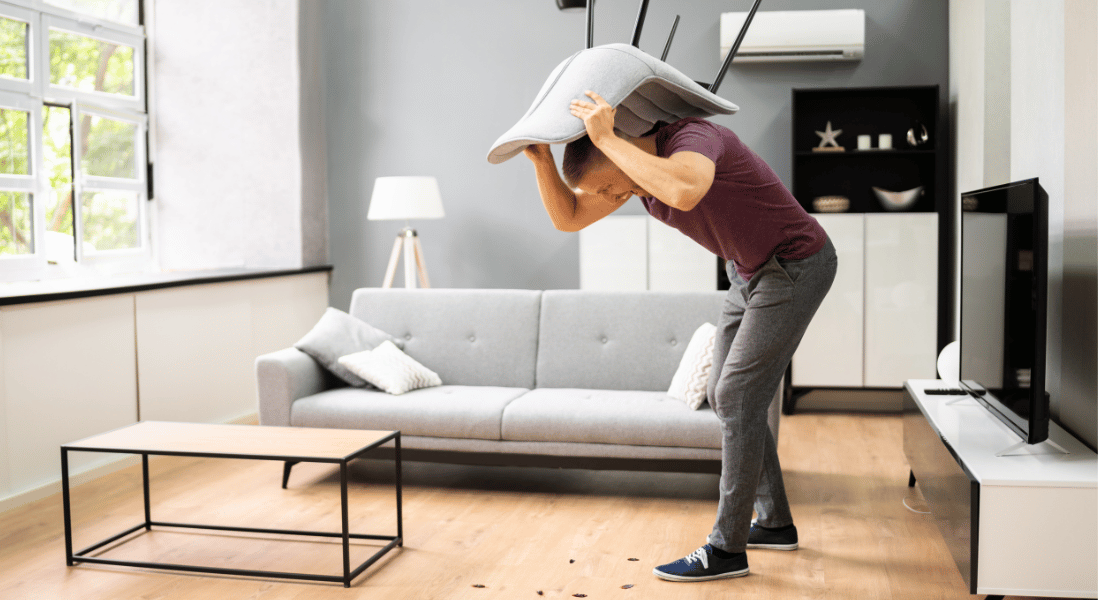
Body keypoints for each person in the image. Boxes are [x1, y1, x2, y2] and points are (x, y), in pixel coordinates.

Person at [522, 91, 837, 582]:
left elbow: (687, 190)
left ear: (620, 147)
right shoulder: (635, 181)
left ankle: (727, 549)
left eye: (606, 187)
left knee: (735, 395)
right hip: (748, 271)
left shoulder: (694, 139)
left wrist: (606, 136)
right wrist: (541, 161)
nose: (607, 199)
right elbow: (569, 218)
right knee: (727, 395)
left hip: (796, 262)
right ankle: (773, 522)